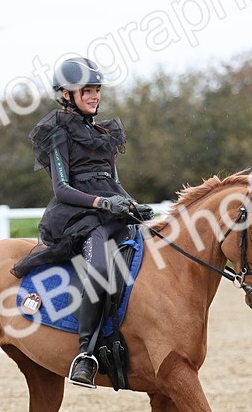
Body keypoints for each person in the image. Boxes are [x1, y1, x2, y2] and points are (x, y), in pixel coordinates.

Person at [12, 56, 150, 389]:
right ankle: (85, 354)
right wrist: (102, 202)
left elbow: (113, 180)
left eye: (96, 90)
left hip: (111, 211)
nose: (93, 96)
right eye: (86, 91)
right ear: (66, 95)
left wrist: (131, 204)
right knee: (101, 268)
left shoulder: (104, 132)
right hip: (79, 217)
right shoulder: (57, 129)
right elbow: (62, 188)